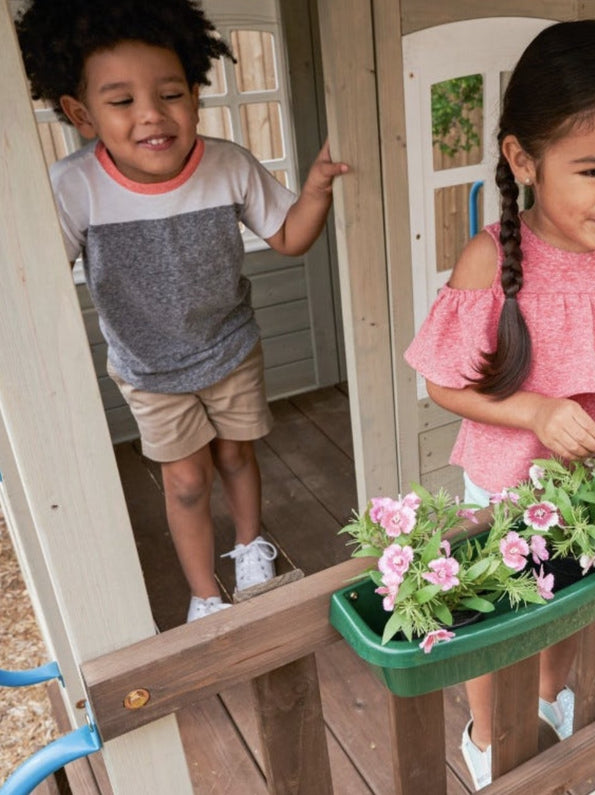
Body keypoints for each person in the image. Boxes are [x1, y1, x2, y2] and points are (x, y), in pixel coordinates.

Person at [404, 19, 595, 790]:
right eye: (594, 169)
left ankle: (550, 701)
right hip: (505, 483)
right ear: (522, 158)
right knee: (498, 616)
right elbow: (443, 381)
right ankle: (488, 732)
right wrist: (535, 411)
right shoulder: (489, 259)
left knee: (570, 603)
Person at [16, 0, 348, 623]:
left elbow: (290, 237)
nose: (150, 115)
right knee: (186, 482)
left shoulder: (227, 165)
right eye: (121, 102)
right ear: (80, 113)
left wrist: (316, 189)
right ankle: (204, 596)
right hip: (148, 368)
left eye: (170, 92)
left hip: (229, 347)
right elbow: (40, 284)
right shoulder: (73, 188)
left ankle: (250, 548)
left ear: (194, 94)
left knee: (236, 456)